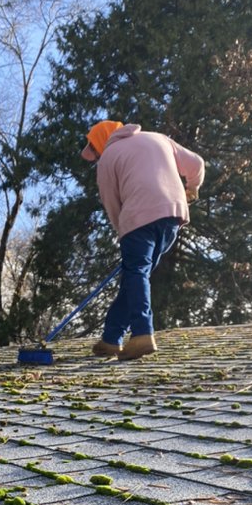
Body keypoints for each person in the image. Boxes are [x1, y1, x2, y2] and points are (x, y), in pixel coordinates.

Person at [81, 120, 205, 360]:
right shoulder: (158, 138)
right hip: (173, 216)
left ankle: (142, 334)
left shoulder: (108, 157)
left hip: (137, 219)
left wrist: (124, 232)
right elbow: (197, 163)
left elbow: (111, 203)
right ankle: (111, 338)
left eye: (94, 149)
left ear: (101, 142)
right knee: (136, 275)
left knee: (135, 272)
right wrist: (192, 188)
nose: (96, 156)